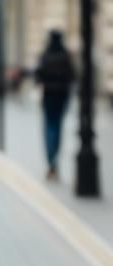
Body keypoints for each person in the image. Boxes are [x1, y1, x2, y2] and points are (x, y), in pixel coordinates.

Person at [33, 29, 76, 180]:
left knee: (49, 127)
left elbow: (37, 76)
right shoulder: (65, 56)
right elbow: (72, 76)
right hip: (62, 97)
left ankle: (51, 160)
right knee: (57, 127)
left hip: (48, 97)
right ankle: (54, 158)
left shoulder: (45, 55)